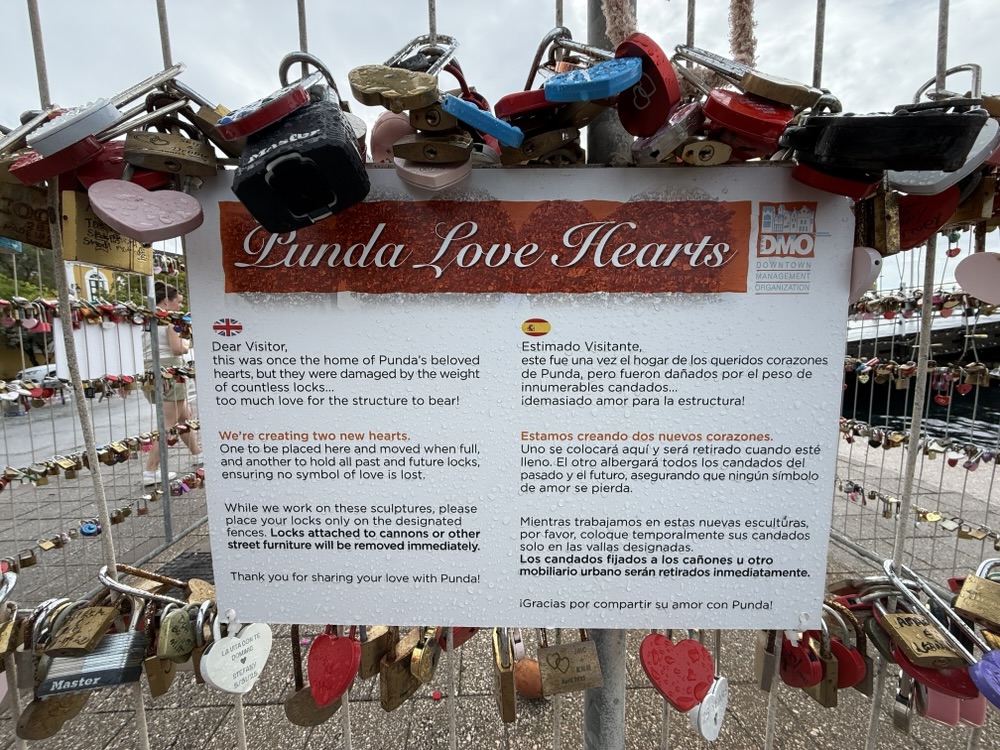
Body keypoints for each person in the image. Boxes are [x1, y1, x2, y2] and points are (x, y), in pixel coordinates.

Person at [142, 282, 202, 486]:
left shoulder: (148, 319)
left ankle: (197, 453)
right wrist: (188, 342)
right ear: (167, 301)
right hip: (170, 369)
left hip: (151, 369)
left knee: (184, 415)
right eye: (179, 302)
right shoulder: (170, 320)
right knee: (168, 422)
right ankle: (151, 470)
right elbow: (177, 348)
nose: (180, 306)